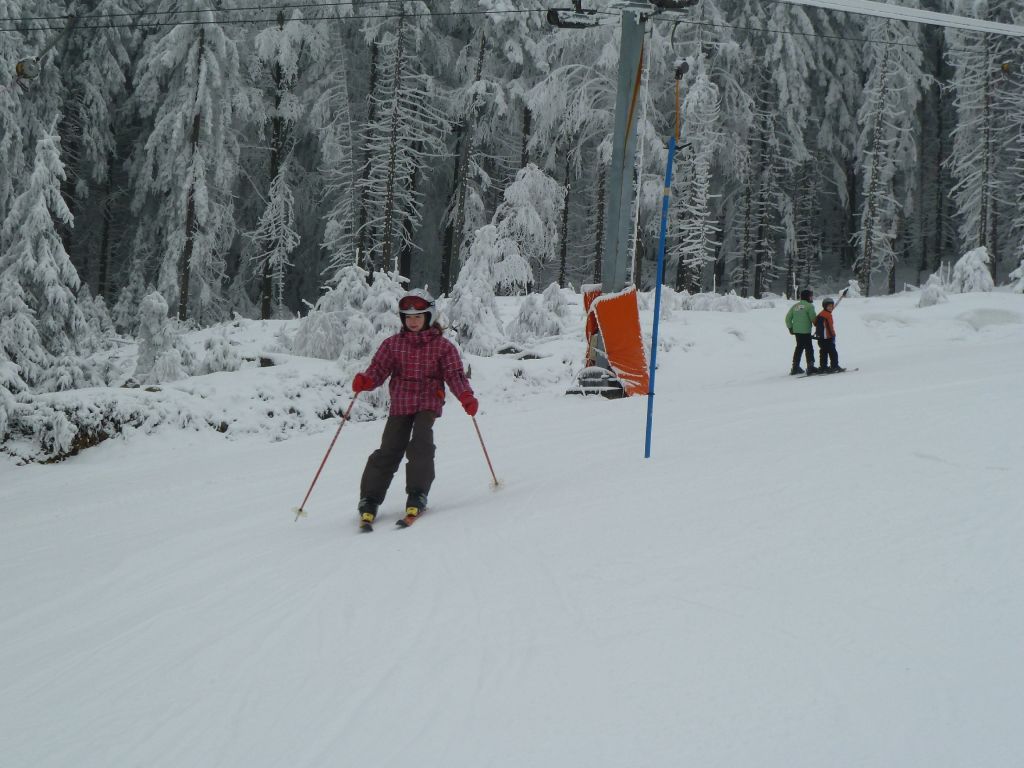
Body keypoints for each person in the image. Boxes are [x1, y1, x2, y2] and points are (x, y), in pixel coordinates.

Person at [351, 288, 478, 529]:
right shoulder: (392, 345)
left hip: (428, 400)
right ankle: (370, 498)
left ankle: (417, 493)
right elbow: (378, 369)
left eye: (418, 317)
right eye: (408, 317)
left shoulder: (443, 347)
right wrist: (366, 381)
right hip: (401, 401)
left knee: (421, 444)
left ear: (429, 317)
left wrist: (466, 396)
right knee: (389, 448)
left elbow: (454, 375)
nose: (413, 321)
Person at [785, 288, 818, 375]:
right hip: (806, 331)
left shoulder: (795, 306)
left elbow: (787, 318)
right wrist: (819, 324)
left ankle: (795, 367)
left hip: (797, 331)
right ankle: (810, 366)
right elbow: (813, 319)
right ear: (808, 297)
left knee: (799, 348)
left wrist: (790, 328)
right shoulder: (810, 306)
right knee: (809, 348)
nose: (812, 298)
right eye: (811, 296)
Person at [814, 293, 846, 373]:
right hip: (826, 338)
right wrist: (831, 336)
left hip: (823, 338)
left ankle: (823, 367)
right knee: (833, 353)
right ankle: (834, 366)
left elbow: (835, 306)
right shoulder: (824, 315)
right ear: (825, 306)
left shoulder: (825, 313)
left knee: (824, 352)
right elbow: (818, 325)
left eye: (832, 306)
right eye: (829, 306)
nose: (831, 307)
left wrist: (842, 297)